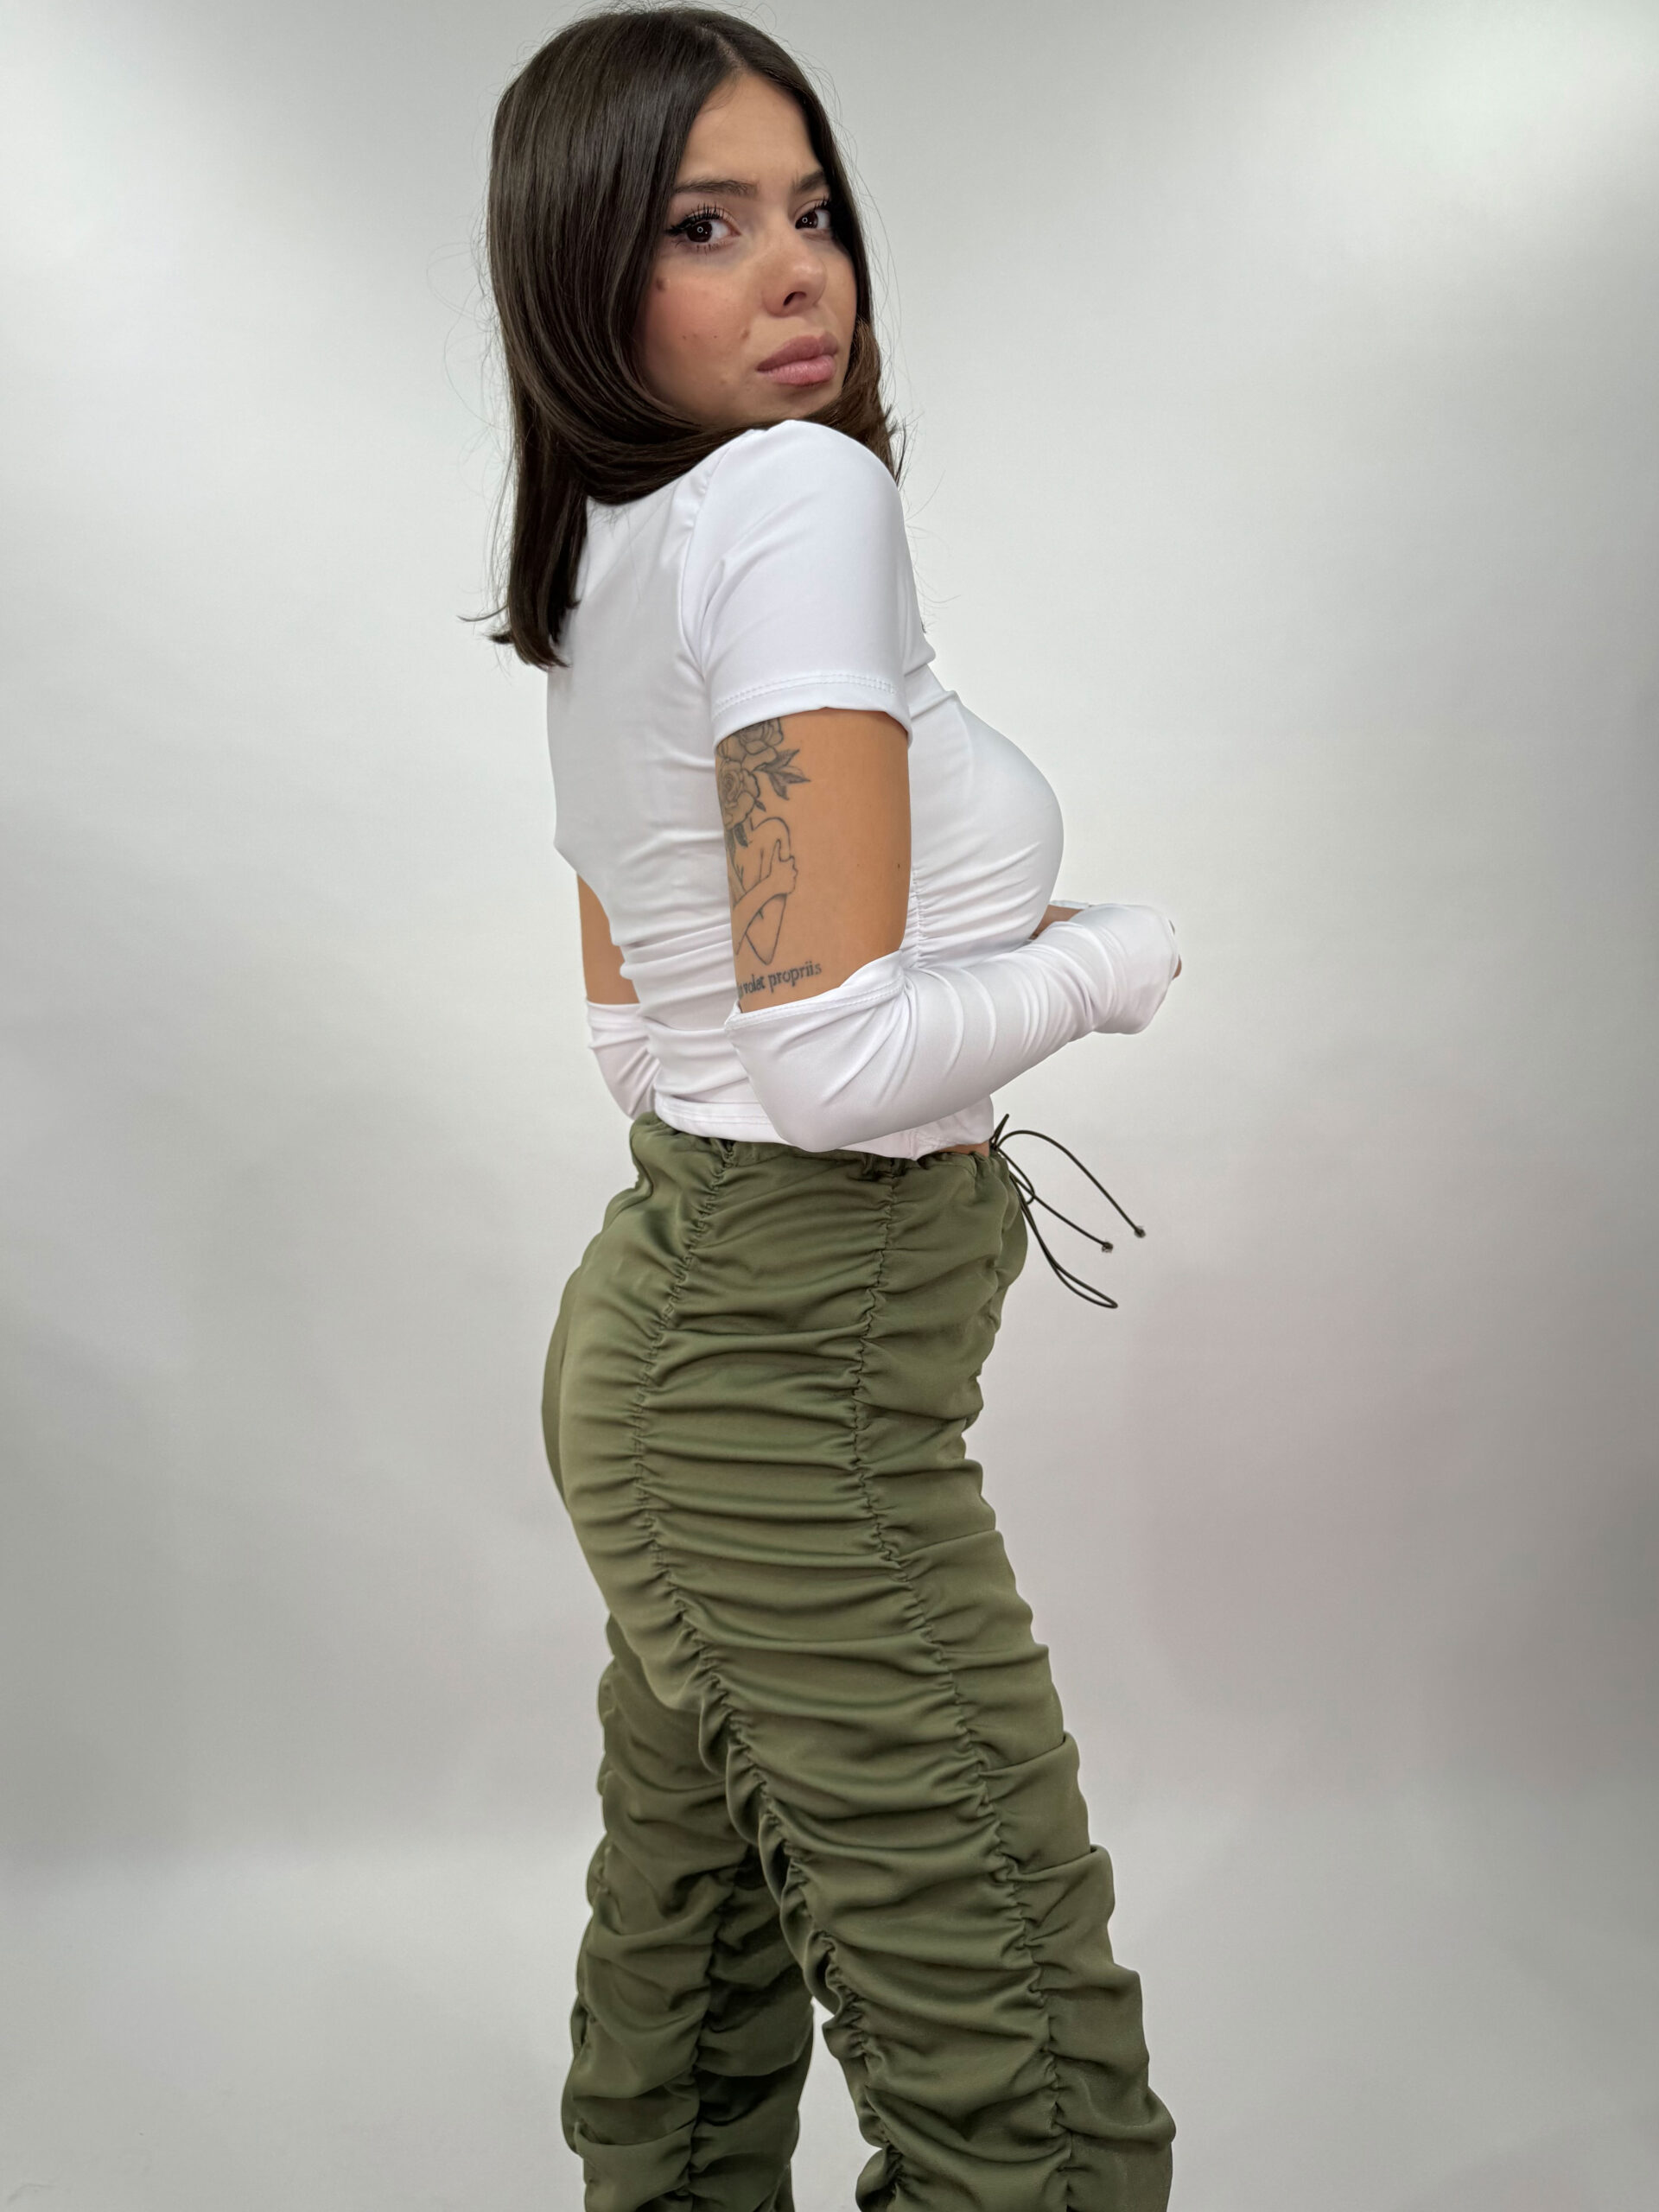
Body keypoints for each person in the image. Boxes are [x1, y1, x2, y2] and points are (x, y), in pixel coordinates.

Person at [485, 10, 1181, 2207]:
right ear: (580, 273)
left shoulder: (604, 557)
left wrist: (970, 941)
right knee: (1028, 2079)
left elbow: (652, 1034)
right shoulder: (801, 497)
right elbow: (828, 1058)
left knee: (696, 1978)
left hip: (663, 1357)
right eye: (704, 226)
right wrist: (1105, 958)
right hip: (786, 1381)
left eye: (814, 210)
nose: (799, 269)